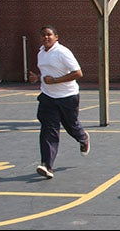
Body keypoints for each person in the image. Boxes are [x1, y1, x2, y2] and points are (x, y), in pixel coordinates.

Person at [27, 25, 90, 179]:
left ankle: (83, 137)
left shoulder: (63, 52)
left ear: (56, 37)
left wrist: (55, 81)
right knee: (49, 129)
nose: (46, 37)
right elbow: (47, 74)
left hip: (68, 97)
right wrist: (38, 78)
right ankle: (46, 165)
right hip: (48, 97)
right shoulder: (41, 53)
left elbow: (78, 73)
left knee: (71, 125)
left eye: (49, 35)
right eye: (43, 35)